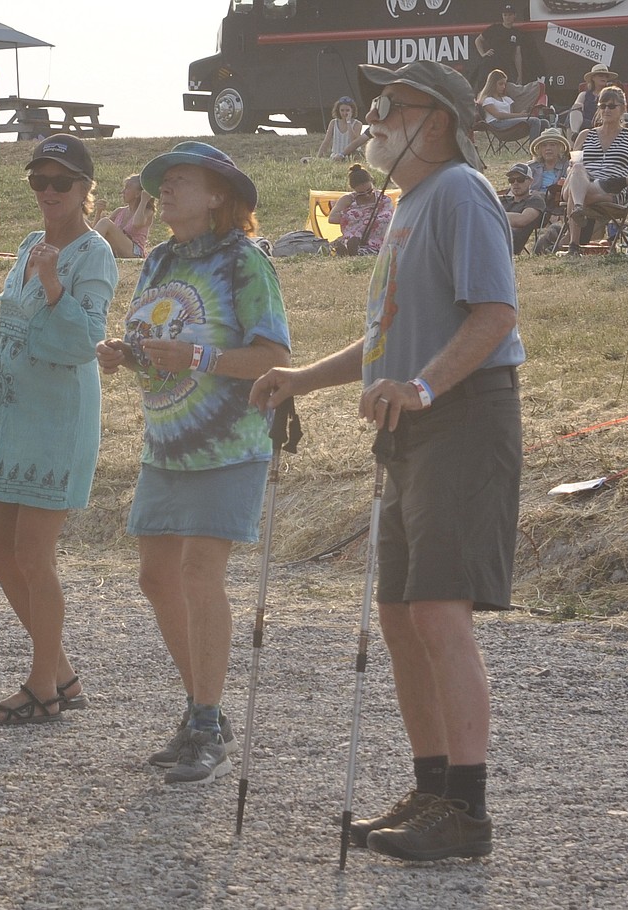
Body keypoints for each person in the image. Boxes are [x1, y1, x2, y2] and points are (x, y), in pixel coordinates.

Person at [251, 60, 524, 861]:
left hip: (463, 419)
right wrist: (306, 376)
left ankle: (466, 810)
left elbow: (497, 314)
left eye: (386, 107)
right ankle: (431, 787)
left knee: (438, 610)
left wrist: (424, 386)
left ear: (433, 121)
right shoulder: (410, 205)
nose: (370, 121)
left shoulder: (462, 192)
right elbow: (385, 338)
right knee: (401, 617)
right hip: (415, 421)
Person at [95, 141, 291, 785]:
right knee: (157, 576)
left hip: (229, 443)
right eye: (162, 182)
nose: (165, 189)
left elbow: (272, 358)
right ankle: (203, 708)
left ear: (218, 195)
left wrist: (198, 360)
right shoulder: (158, 259)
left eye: (180, 179)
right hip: (166, 443)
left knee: (199, 573)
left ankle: (205, 723)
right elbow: (161, 343)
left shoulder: (246, 263)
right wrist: (127, 354)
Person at [0, 135, 118, 725]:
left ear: (84, 190)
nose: (48, 192)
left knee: (33, 553)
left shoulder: (94, 253)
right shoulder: (29, 244)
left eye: (61, 182)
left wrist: (53, 286)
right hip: (12, 412)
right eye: (39, 182)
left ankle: (42, 685)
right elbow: (15, 330)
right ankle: (62, 673)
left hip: (57, 417)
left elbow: (86, 342)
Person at [563, 85, 628, 255]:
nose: (606, 109)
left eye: (611, 106)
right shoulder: (586, 134)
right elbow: (572, 163)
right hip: (583, 184)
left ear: (622, 108)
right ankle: (578, 209)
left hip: (613, 188)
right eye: (602, 105)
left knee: (581, 191)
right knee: (577, 167)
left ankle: (574, 243)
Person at [328, 163, 395, 256]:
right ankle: (349, 248)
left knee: (382, 219)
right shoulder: (348, 199)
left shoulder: (383, 199)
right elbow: (332, 218)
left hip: (377, 239)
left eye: (369, 190)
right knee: (354, 219)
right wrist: (356, 215)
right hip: (354, 236)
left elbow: (391, 216)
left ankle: (354, 251)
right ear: (354, 189)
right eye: (361, 193)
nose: (367, 195)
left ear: (372, 182)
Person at [92, 173, 155, 258]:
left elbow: (137, 223)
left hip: (135, 252)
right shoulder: (119, 211)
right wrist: (98, 212)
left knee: (105, 222)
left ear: (137, 194)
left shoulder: (147, 212)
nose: (122, 192)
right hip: (118, 250)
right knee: (95, 223)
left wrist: (144, 201)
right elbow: (96, 232)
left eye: (127, 188)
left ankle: (86, 252)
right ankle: (88, 251)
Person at [478, 69, 548, 143]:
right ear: (492, 84)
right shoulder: (487, 100)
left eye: (505, 84)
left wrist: (522, 114)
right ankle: (534, 149)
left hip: (509, 124)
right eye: (500, 84)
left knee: (544, 122)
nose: (503, 87)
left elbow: (511, 114)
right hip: (497, 124)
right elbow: (498, 115)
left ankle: (543, 148)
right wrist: (520, 115)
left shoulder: (506, 99)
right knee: (535, 121)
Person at [475, 5, 529, 84]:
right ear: (502, 16)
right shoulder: (495, 28)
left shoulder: (516, 33)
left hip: (506, 65)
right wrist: (483, 54)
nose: (507, 17)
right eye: (505, 15)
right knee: (486, 87)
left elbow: (517, 54)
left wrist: (519, 74)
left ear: (515, 15)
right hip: (490, 63)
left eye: (510, 15)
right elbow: (478, 40)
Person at [500, 163, 546, 255]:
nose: (515, 183)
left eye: (520, 179)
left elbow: (522, 220)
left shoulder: (535, 200)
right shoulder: (503, 200)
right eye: (512, 180)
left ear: (530, 181)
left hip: (508, 242)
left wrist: (491, 215)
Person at [566, 64, 616, 136]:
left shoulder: (612, 95)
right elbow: (576, 108)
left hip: (605, 121)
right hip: (585, 122)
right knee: (576, 108)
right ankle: (575, 134)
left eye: (606, 76)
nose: (604, 78)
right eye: (600, 75)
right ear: (593, 78)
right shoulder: (584, 95)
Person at [527, 127, 570, 195]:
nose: (548, 148)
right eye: (544, 145)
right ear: (540, 149)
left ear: (560, 148)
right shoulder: (530, 167)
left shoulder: (567, 167)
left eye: (552, 145)